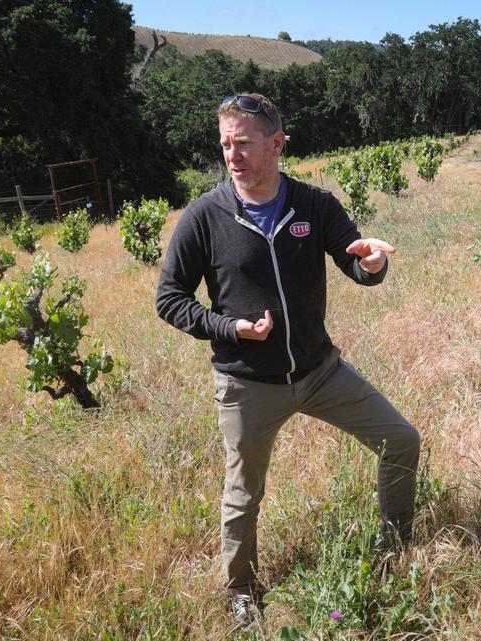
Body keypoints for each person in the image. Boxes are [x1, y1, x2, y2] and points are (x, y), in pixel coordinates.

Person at [155, 93, 421, 626]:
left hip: (320, 371)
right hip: (248, 383)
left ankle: (396, 545)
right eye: (226, 144)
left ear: (276, 144)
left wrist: (370, 264)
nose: (233, 155)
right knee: (243, 491)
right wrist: (229, 328)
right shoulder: (204, 217)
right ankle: (240, 591)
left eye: (245, 144)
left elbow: (356, 263)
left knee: (401, 440)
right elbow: (170, 299)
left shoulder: (315, 205)